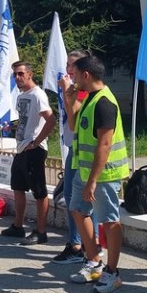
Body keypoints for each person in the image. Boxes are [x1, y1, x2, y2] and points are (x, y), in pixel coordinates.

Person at [66, 54, 129, 293]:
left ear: (86, 75)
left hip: (103, 175)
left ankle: (113, 273)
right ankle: (94, 261)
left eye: (74, 74)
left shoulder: (104, 102)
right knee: (77, 210)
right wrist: (70, 102)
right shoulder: (88, 98)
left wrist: (92, 181)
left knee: (109, 222)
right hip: (85, 172)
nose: (72, 78)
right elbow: (74, 128)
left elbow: (104, 144)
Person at [0, 61, 55, 246]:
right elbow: (27, 120)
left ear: (30, 74)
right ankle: (18, 227)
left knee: (39, 192)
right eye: (15, 74)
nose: (17, 77)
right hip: (21, 148)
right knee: (18, 187)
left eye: (21, 74)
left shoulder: (38, 95)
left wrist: (37, 142)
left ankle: (40, 232)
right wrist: (12, 126)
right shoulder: (22, 95)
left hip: (34, 150)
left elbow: (51, 119)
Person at [52, 49, 92, 264]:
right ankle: (77, 243)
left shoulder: (83, 91)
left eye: (73, 65)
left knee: (81, 200)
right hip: (74, 149)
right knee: (70, 197)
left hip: (83, 150)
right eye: (67, 64)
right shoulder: (76, 88)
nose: (68, 69)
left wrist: (68, 93)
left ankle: (86, 246)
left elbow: (73, 122)